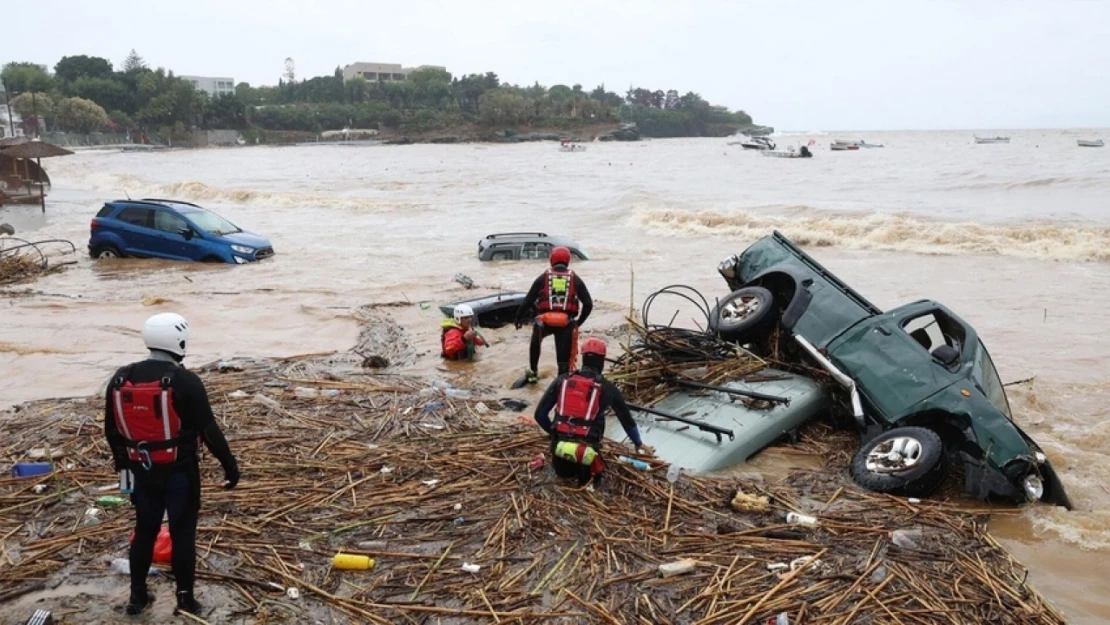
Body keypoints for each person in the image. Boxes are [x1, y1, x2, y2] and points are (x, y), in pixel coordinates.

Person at [104, 313, 240, 617]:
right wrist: (230, 467)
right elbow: (209, 431)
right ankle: (185, 600)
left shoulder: (119, 378)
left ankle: (137, 597)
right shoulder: (185, 380)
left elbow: (111, 431)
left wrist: (124, 468)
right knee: (182, 534)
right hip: (180, 472)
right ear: (179, 341)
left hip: (140, 471)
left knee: (144, 531)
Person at [533, 338, 651, 486]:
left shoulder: (562, 380)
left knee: (563, 474)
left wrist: (554, 434)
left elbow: (539, 415)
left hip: (560, 457)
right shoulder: (608, 389)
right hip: (587, 459)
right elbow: (626, 419)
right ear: (602, 361)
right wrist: (638, 443)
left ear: (583, 358)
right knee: (591, 478)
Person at [513, 246, 593, 386]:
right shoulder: (575, 279)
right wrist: (578, 322)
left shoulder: (543, 277)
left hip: (544, 322)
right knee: (563, 364)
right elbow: (588, 304)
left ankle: (532, 372)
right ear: (568, 260)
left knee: (535, 341)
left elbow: (528, 300)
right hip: (565, 325)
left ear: (551, 260)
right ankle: (561, 383)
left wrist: (518, 318)